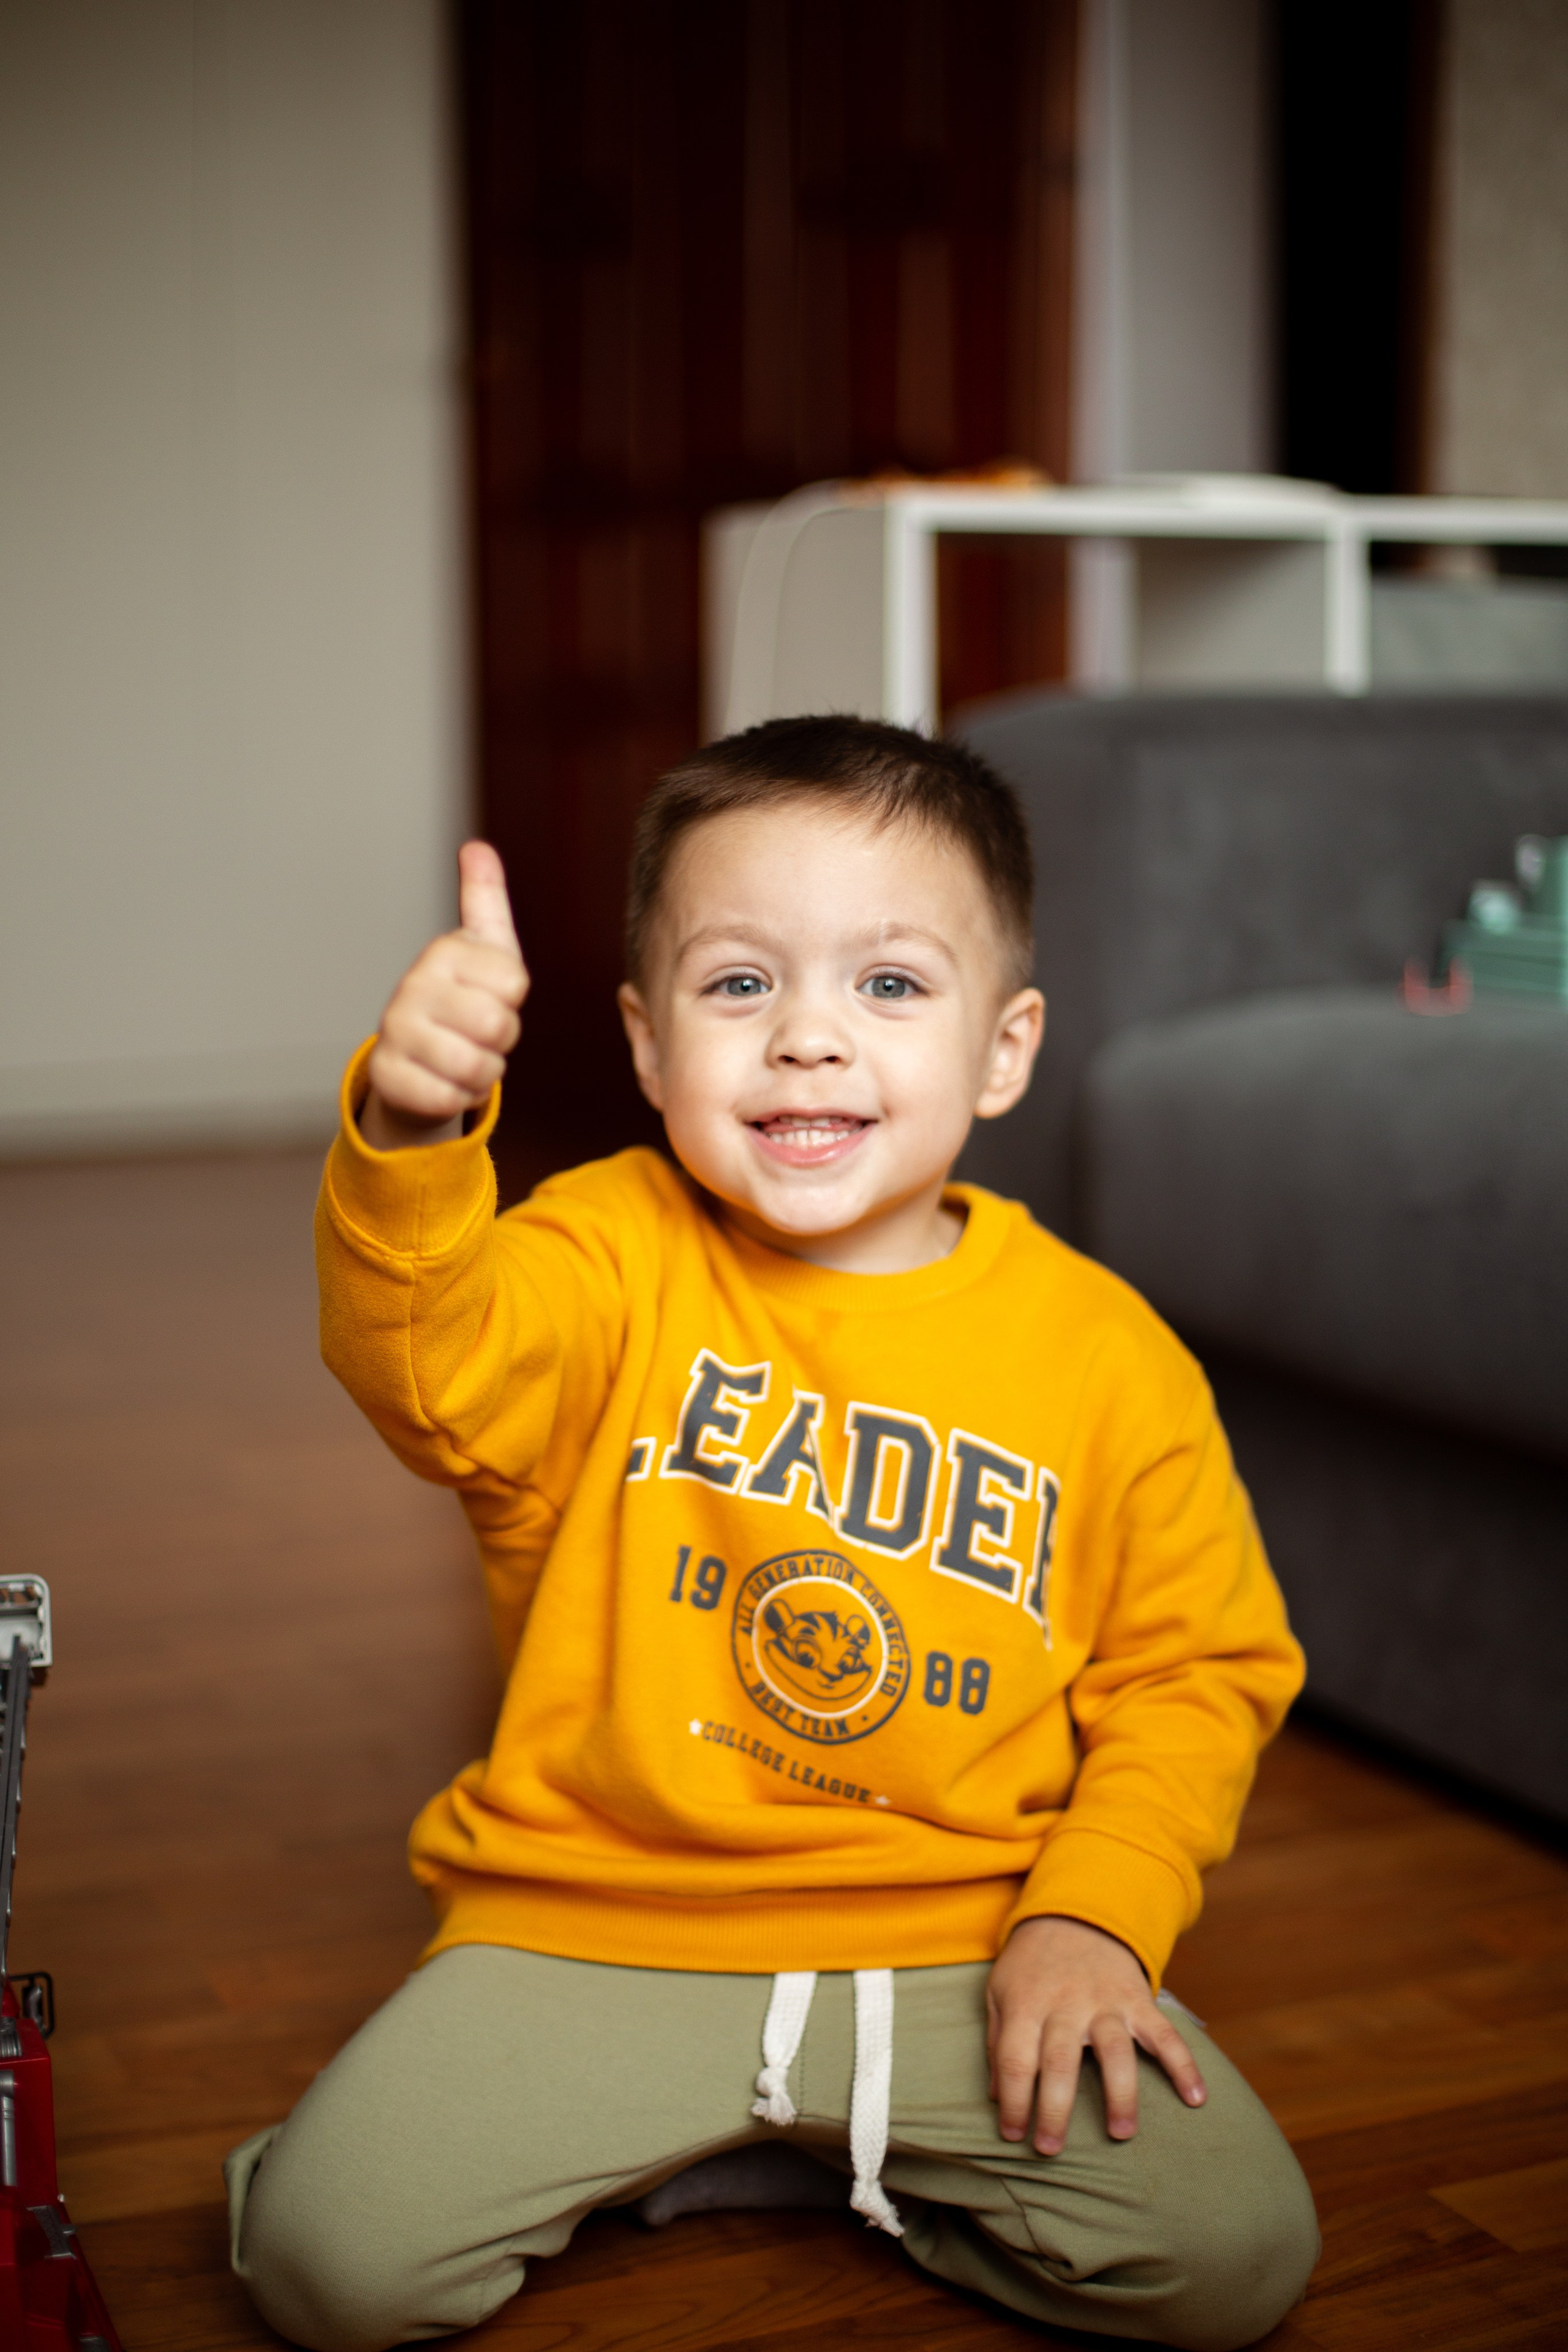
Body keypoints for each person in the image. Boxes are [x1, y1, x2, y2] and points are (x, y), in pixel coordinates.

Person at [227, 717, 1319, 2352]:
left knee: (1233, 2258)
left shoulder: (1111, 1358)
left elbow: (1199, 1671)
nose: (809, 1038)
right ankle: (780, 2142)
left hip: (964, 1936)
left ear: (1004, 1047)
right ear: (648, 1043)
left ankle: (824, 2152)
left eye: (889, 984)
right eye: (740, 983)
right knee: (331, 2265)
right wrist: (412, 1129)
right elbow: (427, 1369)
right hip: (598, 1922)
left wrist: (1095, 1916)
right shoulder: (606, 1253)